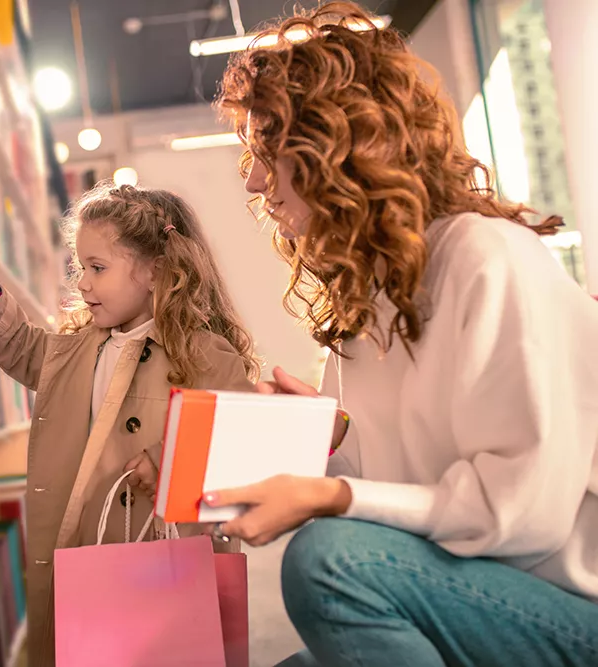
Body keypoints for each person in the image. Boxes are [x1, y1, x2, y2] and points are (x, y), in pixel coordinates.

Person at [209, 2, 598, 665]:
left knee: (328, 566)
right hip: (476, 591)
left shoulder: (485, 256)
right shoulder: (366, 298)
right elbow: (397, 495)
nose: (252, 181)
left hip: (566, 604)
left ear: (342, 146)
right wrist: (334, 444)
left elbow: (525, 517)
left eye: (267, 148)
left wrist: (336, 492)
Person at [0, 181, 259, 666]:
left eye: (97, 268)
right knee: (85, 647)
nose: (82, 283)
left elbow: (235, 436)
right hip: (85, 545)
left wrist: (165, 459)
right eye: (78, 268)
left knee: (163, 652)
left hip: (161, 558)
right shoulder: (81, 345)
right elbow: (29, 353)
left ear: (156, 272)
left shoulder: (204, 354)